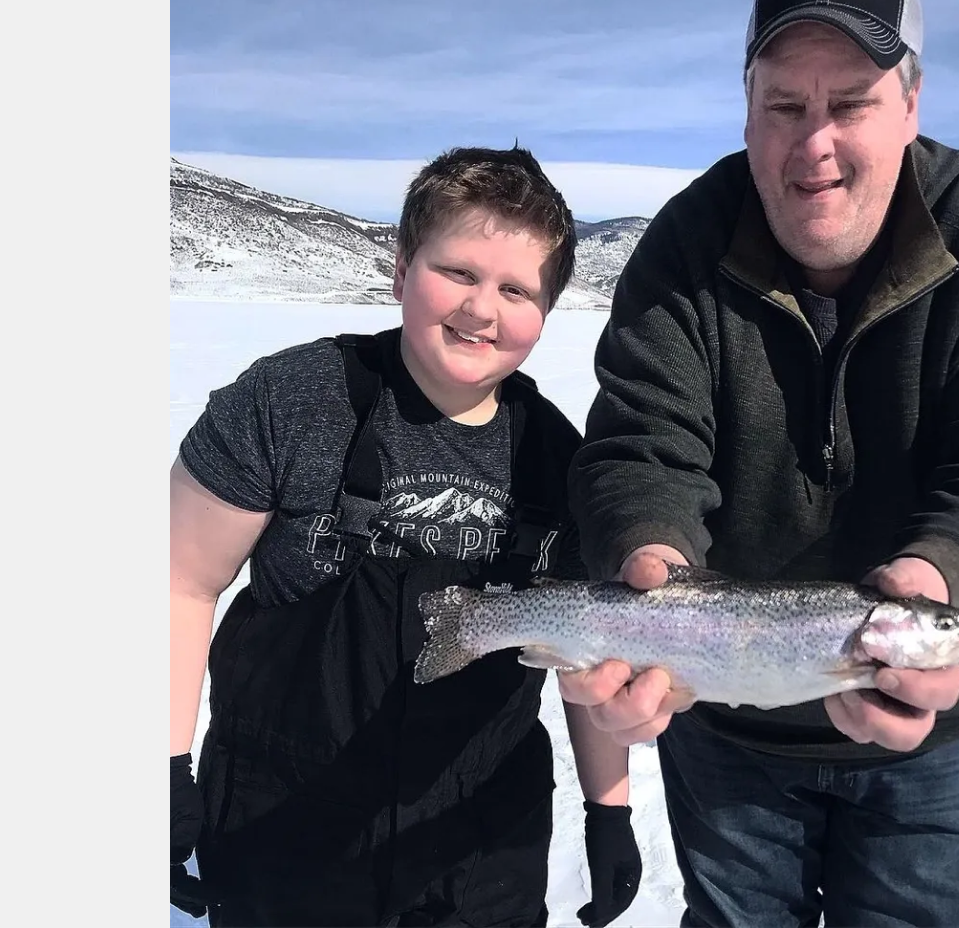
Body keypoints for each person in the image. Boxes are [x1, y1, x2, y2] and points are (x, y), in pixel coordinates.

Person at [559, 0, 959, 926]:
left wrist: (942, 576)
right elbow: (641, 442)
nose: (816, 144)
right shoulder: (685, 243)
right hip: (726, 724)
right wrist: (651, 565)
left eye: (851, 103)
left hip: (933, 731)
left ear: (911, 102)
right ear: (747, 106)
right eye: (784, 104)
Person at [170, 145, 642, 928]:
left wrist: (610, 810)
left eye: (516, 289)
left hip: (479, 843)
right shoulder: (289, 403)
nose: (481, 309)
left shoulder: (561, 464)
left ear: (546, 313)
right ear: (400, 271)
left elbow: (581, 645)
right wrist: (159, 765)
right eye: (458, 272)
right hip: (283, 825)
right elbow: (178, 581)